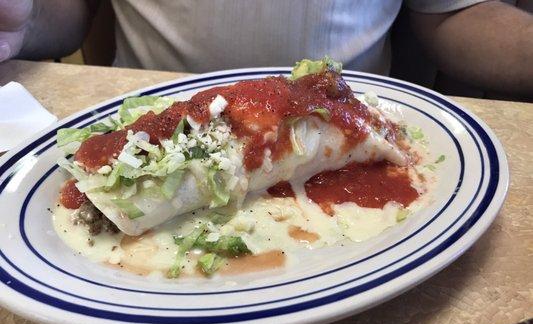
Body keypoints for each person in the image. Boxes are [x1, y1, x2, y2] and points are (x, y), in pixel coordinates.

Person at [0, 0, 531, 96]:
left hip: (341, 133)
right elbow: (68, 16)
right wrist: (20, 24)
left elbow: (455, 13)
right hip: (149, 136)